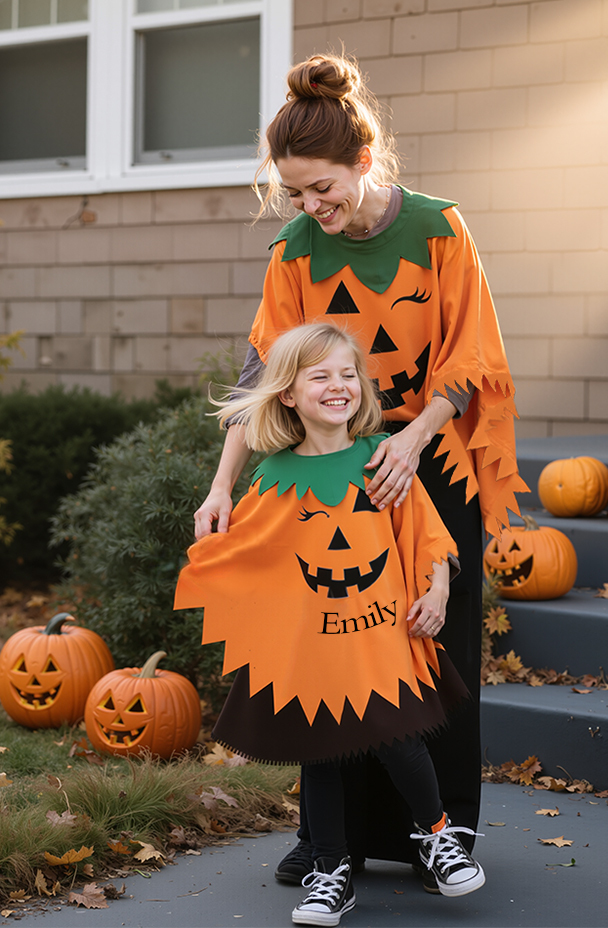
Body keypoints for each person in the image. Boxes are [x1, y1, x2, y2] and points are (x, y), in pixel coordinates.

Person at [193, 53, 525, 886]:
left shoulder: (441, 229)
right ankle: (327, 840)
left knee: (425, 648)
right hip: (335, 466)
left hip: (430, 459)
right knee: (328, 646)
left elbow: (473, 355)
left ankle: (435, 834)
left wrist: (411, 443)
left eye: (322, 190)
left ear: (363, 163)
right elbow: (260, 373)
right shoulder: (296, 249)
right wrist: (222, 485)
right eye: (295, 194)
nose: (310, 208)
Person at [175, 323, 485, 926]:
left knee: (400, 740)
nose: (338, 387)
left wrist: (439, 589)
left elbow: (426, 536)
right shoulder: (272, 478)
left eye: (348, 375)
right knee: (321, 757)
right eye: (320, 376)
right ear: (288, 393)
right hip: (314, 651)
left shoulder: (383, 460)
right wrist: (209, 558)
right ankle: (330, 869)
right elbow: (257, 554)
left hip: (382, 640)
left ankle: (438, 835)